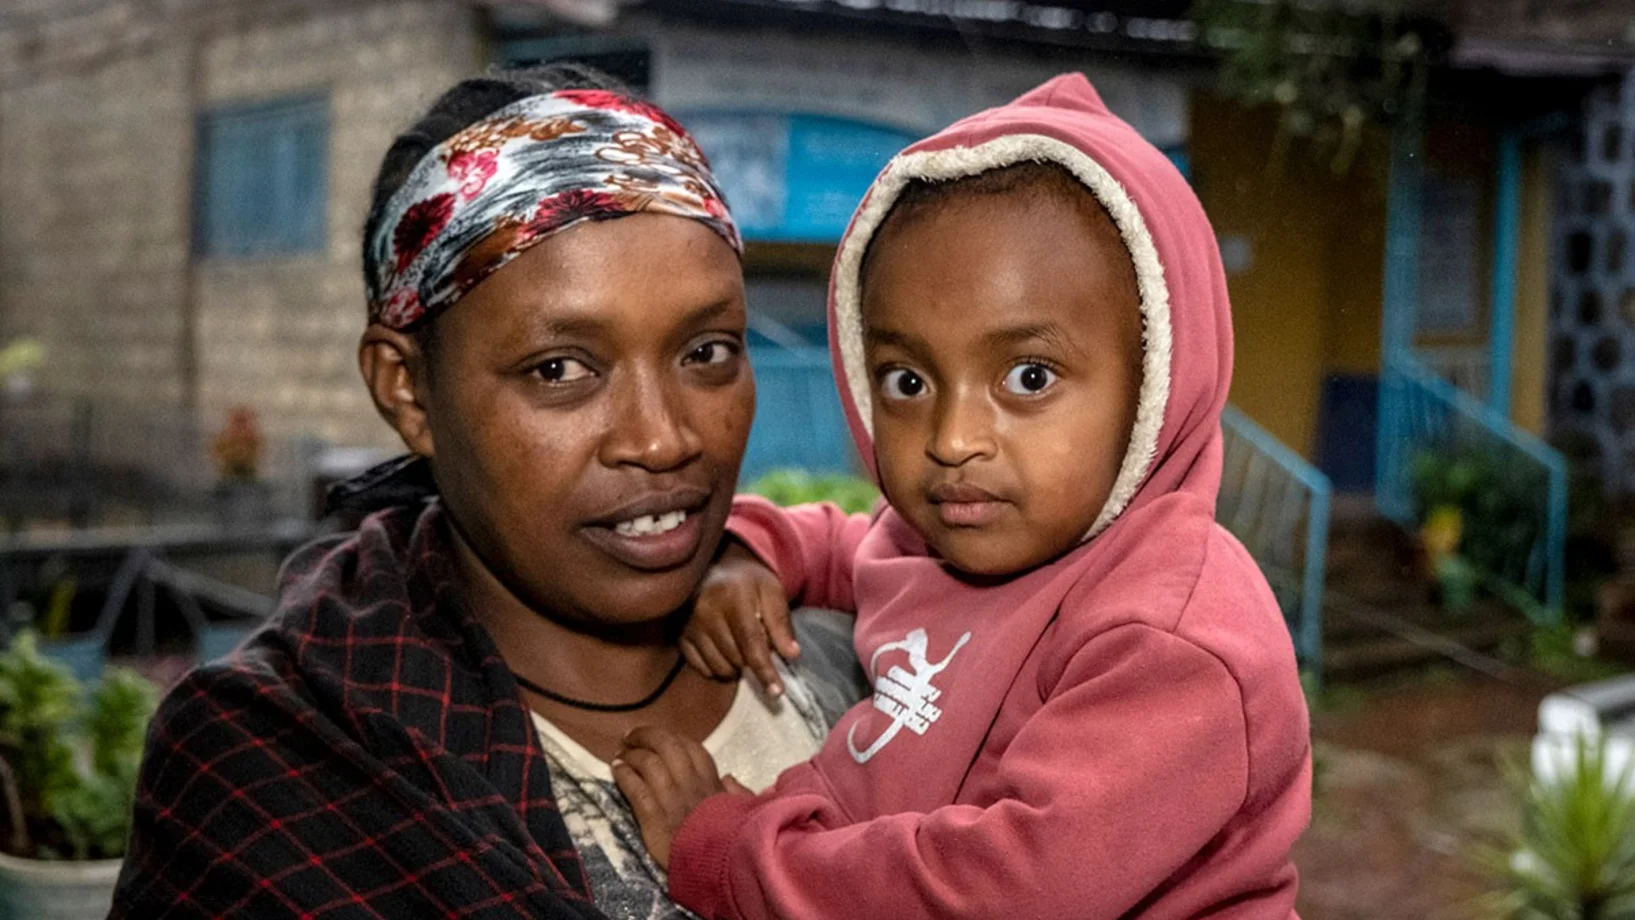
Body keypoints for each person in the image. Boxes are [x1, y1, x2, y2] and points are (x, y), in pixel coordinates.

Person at [110, 65, 860, 920]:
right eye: (559, 369)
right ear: (406, 390)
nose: (663, 437)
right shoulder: (272, 770)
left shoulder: (877, 666)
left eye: (707, 352)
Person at [613, 73, 1313, 919]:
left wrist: (730, 854)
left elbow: (1003, 889)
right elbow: (846, 544)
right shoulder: (941, 532)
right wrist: (744, 550)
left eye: (1027, 377)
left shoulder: (1171, 641)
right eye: (906, 380)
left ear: (1158, 381)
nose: (951, 438)